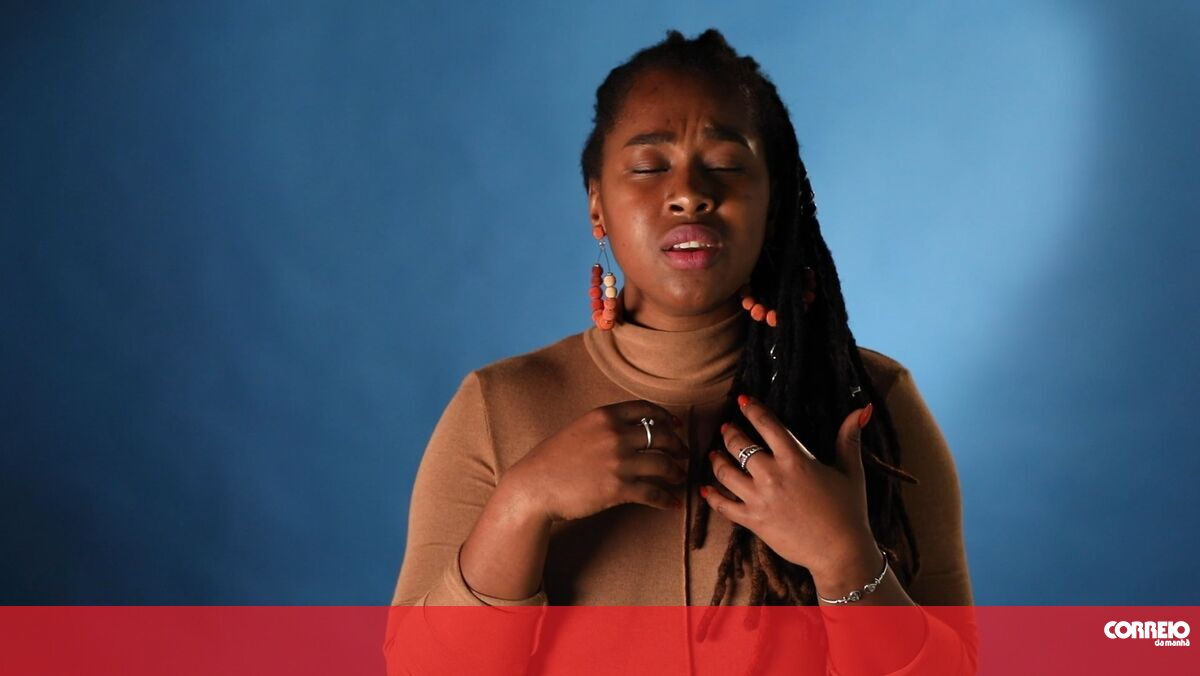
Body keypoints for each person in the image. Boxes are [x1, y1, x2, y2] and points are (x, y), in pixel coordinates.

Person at [384, 29, 977, 675]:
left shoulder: (870, 405)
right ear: (597, 207)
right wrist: (523, 506)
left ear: (774, 203)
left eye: (725, 164)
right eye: (648, 167)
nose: (690, 193)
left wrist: (844, 557)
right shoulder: (495, 407)